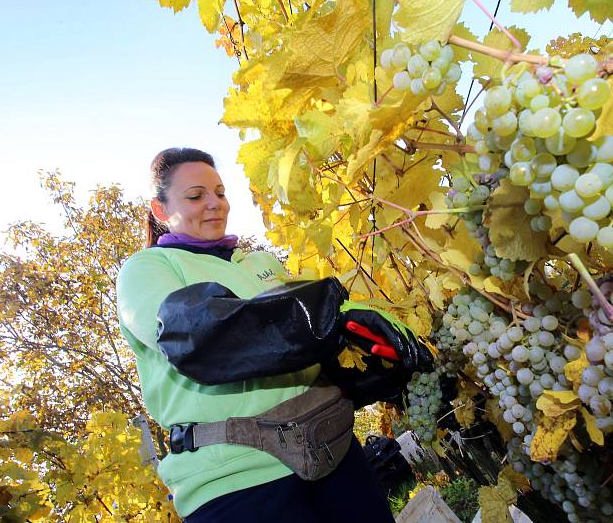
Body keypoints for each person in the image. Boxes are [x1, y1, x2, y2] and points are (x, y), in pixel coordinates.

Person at [116, 148, 432, 522]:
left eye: (219, 192)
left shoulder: (259, 264)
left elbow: (295, 350)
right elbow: (192, 336)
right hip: (236, 482)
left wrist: (366, 370)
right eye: (196, 196)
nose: (214, 204)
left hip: (333, 452)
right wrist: (323, 319)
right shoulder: (147, 269)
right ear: (160, 209)